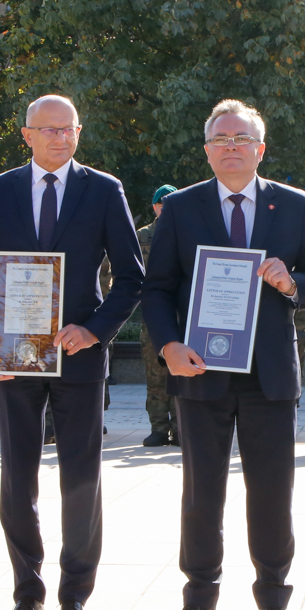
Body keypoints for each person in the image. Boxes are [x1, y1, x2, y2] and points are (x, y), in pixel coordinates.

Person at [142, 99, 305, 610]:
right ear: (207, 150)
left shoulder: (293, 205)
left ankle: (273, 601)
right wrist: (169, 346)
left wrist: (292, 283)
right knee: (202, 492)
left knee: (271, 491)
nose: (232, 146)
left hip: (269, 374)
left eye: (242, 138)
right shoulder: (181, 208)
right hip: (201, 370)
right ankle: (198, 601)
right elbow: (155, 288)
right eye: (222, 139)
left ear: (260, 149)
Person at [0, 94, 143, 610]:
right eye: (49, 129)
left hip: (79, 356)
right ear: (27, 135)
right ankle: (27, 594)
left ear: (79, 133)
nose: (61, 138)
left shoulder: (104, 190)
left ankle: (75, 596)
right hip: (15, 356)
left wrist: (95, 330)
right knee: (17, 477)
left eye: (70, 129)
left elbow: (132, 277)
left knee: (81, 476)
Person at [138, 184, 178, 446]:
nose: (165, 208)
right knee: (155, 376)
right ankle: (159, 428)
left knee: (181, 377)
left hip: (181, 315)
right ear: (154, 207)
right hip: (153, 316)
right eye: (161, 204)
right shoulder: (141, 236)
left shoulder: (185, 230)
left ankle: (181, 428)